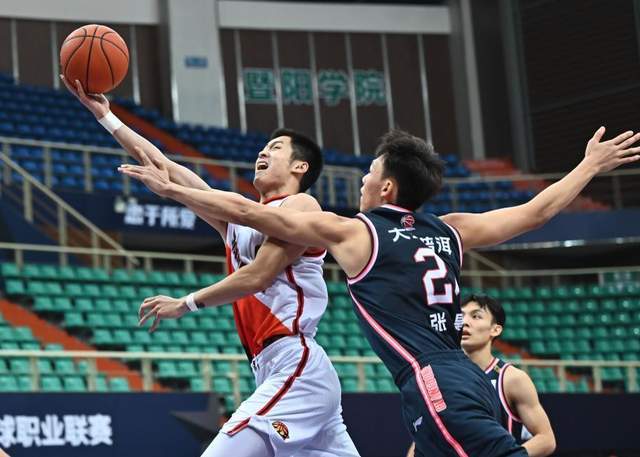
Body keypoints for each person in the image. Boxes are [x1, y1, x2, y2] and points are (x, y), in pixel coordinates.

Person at [121, 127, 640, 456]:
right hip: (456, 378)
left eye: (369, 174)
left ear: (387, 187)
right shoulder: (451, 229)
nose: (363, 182)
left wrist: (171, 189)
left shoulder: (358, 233)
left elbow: (248, 212)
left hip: (433, 378)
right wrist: (589, 166)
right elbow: (536, 213)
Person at [61, 76, 360, 457]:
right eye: (264, 147)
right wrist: (106, 117)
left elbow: (259, 275)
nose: (262, 152)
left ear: (300, 166)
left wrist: (185, 303)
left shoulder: (301, 206)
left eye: (275, 147)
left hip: (295, 364)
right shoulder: (238, 221)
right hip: (272, 367)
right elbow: (165, 166)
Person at [406, 294, 556, 457]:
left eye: (476, 316)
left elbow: (546, 439)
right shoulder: (440, 377)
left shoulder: (511, 379)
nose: (465, 322)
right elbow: (425, 437)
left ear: (495, 329)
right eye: (461, 316)